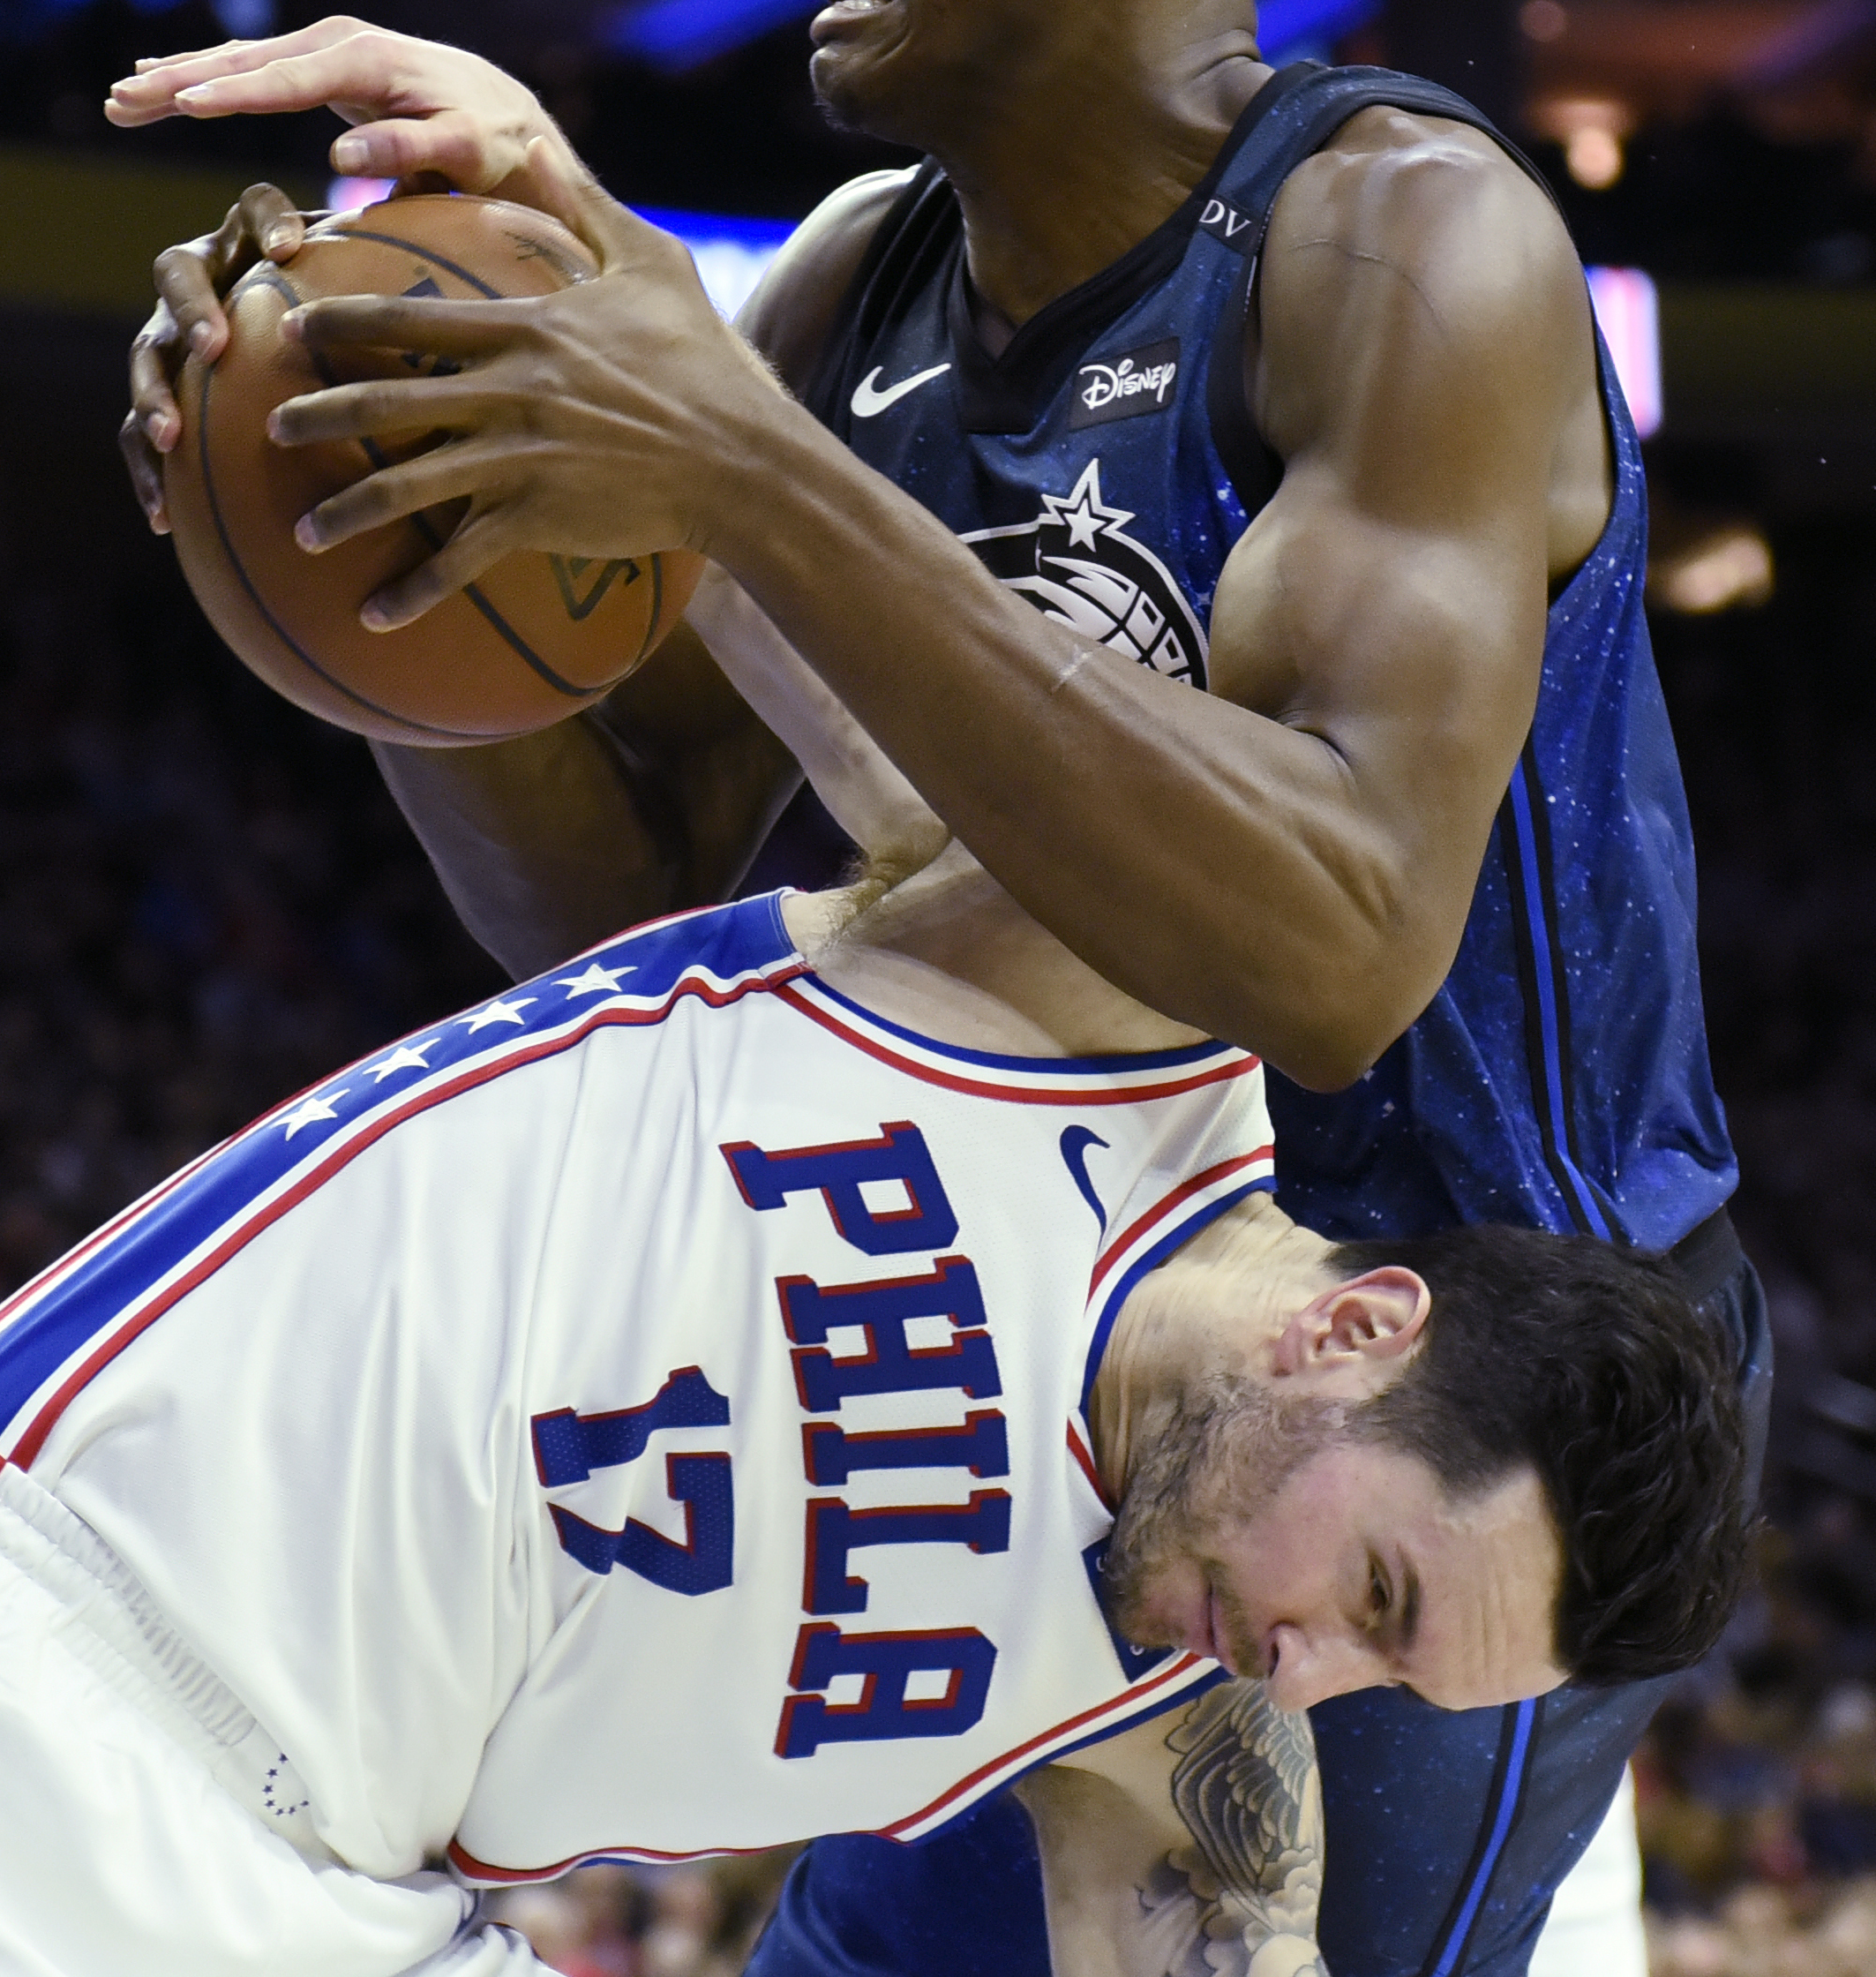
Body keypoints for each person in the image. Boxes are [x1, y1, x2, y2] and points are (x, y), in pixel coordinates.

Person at [109, 0, 1768, 1977]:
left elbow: (1338, 952)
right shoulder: (843, 296)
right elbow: (640, 901)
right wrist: (388, 585)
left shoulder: (1392, 232)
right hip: (1074, 1316)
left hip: (1446, 1382)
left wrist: (743, 466)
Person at [0, 577, 1748, 1976]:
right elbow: (745, 508)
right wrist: (492, 281)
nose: (1307, 1679)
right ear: (1356, 1331)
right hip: (78, 1628)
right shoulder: (1109, 1002)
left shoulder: (1168, 1736)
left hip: (344, 1902)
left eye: (1384, 1681)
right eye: (1378, 1599)